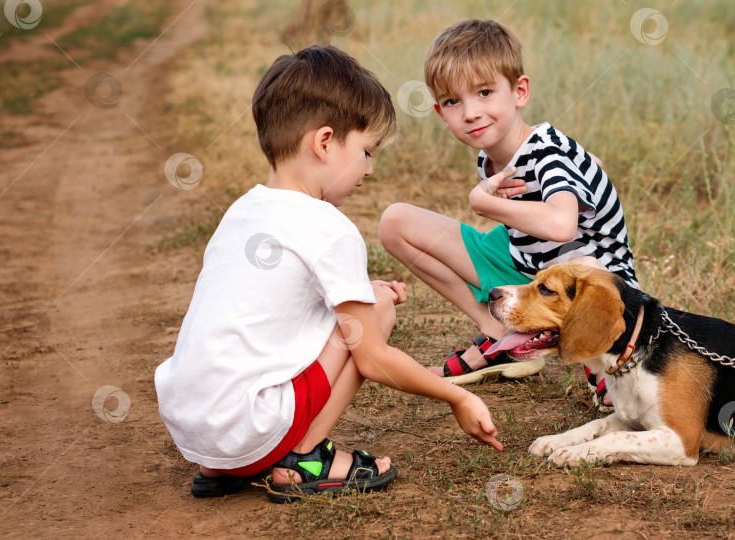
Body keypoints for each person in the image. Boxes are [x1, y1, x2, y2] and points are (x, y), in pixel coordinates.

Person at [154, 45, 502, 503]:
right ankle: (305, 457)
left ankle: (222, 469)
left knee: (360, 303)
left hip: (195, 427)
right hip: (246, 428)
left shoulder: (242, 211)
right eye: (366, 152)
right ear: (324, 142)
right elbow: (373, 359)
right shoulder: (330, 228)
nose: (370, 170)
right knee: (374, 312)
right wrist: (457, 397)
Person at [379, 19, 639, 410]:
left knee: (585, 264)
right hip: (531, 269)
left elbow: (561, 224)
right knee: (395, 222)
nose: (470, 112)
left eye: (485, 92)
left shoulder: (547, 154)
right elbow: (590, 166)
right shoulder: (490, 156)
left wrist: (484, 203)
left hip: (595, 288)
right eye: (453, 101)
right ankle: (497, 328)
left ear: (520, 91)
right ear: (439, 112)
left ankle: (604, 359)